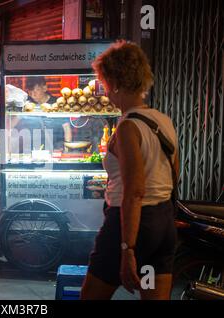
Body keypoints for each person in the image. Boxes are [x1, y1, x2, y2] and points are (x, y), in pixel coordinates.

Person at [80, 40, 180, 300]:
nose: (103, 89)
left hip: (129, 226)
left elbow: (134, 191)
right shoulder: (164, 121)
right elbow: (174, 175)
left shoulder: (127, 128)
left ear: (114, 82)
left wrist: (127, 249)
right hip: (163, 223)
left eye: (103, 81)